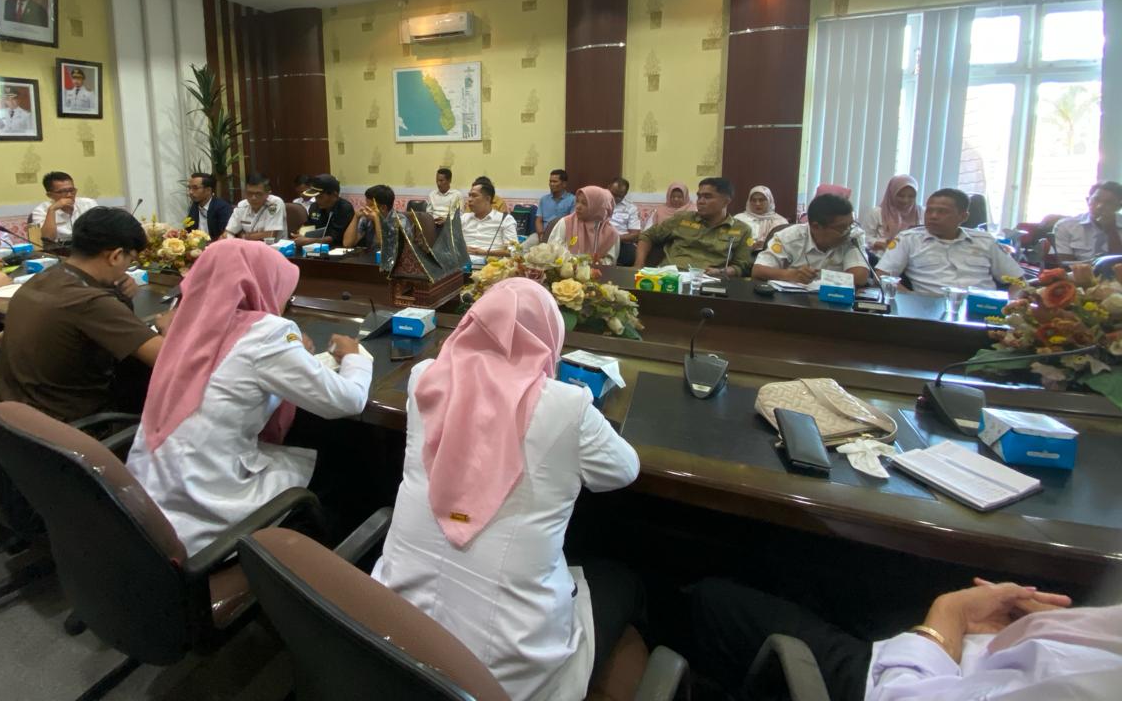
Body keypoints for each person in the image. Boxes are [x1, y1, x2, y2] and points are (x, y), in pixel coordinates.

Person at [372, 279, 642, 701]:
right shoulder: (567, 406)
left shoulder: (425, 377)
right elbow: (624, 470)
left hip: (388, 635)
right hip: (501, 672)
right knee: (623, 583)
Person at [126, 240, 373, 555]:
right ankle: (320, 563)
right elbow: (349, 401)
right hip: (206, 505)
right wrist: (354, 358)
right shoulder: (266, 333)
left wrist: (292, 353)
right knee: (346, 468)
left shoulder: (184, 321)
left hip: (148, 498)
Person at [686, 576, 1121, 701]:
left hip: (910, 683)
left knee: (713, 603)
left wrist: (947, 617)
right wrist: (1055, 624)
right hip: (990, 653)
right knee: (819, 572)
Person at [0, 208, 163, 422]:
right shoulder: (90, 302)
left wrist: (116, 293)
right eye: (130, 260)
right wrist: (169, 328)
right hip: (72, 426)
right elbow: (169, 360)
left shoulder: (45, 277)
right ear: (115, 256)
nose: (127, 269)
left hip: (15, 418)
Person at [876, 188, 1023, 296]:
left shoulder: (985, 241)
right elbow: (882, 275)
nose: (933, 216)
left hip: (981, 308)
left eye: (942, 212)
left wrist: (1009, 306)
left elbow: (1019, 282)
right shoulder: (908, 239)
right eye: (929, 211)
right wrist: (912, 299)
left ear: (963, 216)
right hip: (930, 309)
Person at [635, 177, 753, 277]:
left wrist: (721, 272)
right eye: (699, 196)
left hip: (708, 280)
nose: (700, 201)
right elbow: (647, 235)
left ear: (726, 201)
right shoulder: (682, 219)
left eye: (707, 197)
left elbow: (742, 265)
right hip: (670, 276)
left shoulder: (742, 230)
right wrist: (638, 265)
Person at [752, 193, 870, 286]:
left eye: (851, 224)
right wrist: (791, 275)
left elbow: (859, 278)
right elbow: (758, 270)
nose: (848, 231)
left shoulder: (853, 235)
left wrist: (822, 279)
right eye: (842, 228)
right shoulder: (789, 237)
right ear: (816, 227)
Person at [546, 186, 620, 264]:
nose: (578, 207)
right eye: (577, 201)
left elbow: (610, 261)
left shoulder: (611, 233)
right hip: (566, 269)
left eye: (584, 203)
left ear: (597, 206)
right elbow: (552, 250)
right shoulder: (566, 223)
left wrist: (598, 263)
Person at [1053, 181, 1122, 261]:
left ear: (1119, 207)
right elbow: (1065, 263)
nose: (1100, 206)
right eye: (1096, 200)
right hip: (1078, 269)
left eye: (1109, 202)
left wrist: (1111, 230)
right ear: (1088, 200)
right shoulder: (1065, 226)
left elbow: (1119, 262)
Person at [30, 171, 98, 246]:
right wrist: (52, 210)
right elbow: (47, 240)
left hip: (88, 247)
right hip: (58, 248)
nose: (69, 195)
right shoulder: (40, 211)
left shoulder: (89, 204)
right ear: (49, 195)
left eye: (71, 190)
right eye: (62, 192)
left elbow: (100, 232)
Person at [460, 179, 517, 259]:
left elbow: (514, 251)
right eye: (469, 195)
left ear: (487, 199)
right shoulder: (464, 218)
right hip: (461, 263)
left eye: (474, 196)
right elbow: (450, 244)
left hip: (491, 264)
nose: (469, 199)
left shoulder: (505, 220)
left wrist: (486, 252)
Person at [864, 175, 922, 253]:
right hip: (881, 256)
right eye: (901, 196)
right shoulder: (877, 212)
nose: (905, 200)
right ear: (892, 193)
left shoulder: (921, 212)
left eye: (911, 196)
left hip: (912, 256)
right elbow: (864, 237)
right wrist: (880, 244)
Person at [295, 174, 355, 249]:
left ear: (334, 195)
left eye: (320, 197)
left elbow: (335, 237)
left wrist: (310, 241)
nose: (317, 200)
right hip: (315, 248)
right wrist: (301, 234)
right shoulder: (314, 206)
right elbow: (309, 225)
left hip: (338, 249)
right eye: (315, 197)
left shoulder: (344, 208)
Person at [223, 173, 286, 241]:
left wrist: (243, 236)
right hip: (247, 246)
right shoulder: (242, 205)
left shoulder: (275, 203)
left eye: (258, 194)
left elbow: (270, 235)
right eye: (249, 193)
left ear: (268, 193)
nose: (253, 198)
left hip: (273, 246)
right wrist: (230, 237)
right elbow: (229, 232)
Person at [342, 184, 402, 251]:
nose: (366, 208)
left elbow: (385, 248)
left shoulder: (399, 220)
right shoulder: (367, 219)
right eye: (366, 204)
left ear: (383, 208)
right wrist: (356, 217)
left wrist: (376, 220)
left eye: (370, 205)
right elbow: (347, 244)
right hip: (370, 256)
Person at [735, 185, 789, 251]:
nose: (757, 204)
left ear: (769, 201)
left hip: (772, 256)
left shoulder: (781, 221)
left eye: (761, 200)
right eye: (754, 200)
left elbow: (787, 245)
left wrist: (768, 245)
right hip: (743, 255)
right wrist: (748, 247)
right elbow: (731, 242)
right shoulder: (738, 219)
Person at [185, 172, 233, 240]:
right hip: (197, 245)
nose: (190, 192)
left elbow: (226, 235)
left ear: (208, 190)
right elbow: (188, 230)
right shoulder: (194, 206)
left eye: (195, 188)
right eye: (189, 188)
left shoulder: (222, 208)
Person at [535, 169, 575, 239]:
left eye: (555, 181)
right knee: (525, 244)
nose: (551, 184)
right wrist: (541, 235)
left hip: (563, 236)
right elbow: (539, 220)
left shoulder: (572, 200)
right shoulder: (544, 199)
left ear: (564, 184)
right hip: (544, 234)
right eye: (550, 181)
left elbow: (573, 222)